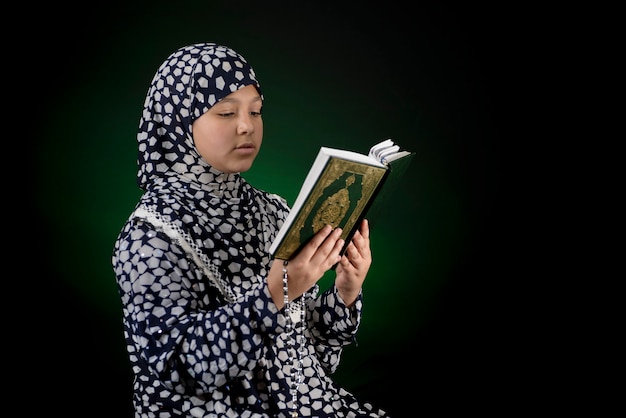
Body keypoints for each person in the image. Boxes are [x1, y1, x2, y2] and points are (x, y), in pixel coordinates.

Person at [112, 42, 389, 418]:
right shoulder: (149, 238)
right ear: (176, 121)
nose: (247, 125)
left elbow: (309, 362)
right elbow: (179, 373)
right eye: (225, 112)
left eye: (256, 111)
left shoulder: (273, 211)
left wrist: (344, 291)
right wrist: (275, 291)